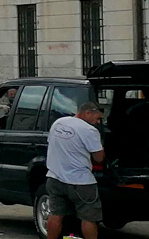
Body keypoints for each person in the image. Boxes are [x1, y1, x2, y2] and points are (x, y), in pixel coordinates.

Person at [44, 102, 106, 239]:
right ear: (88, 113)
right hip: (81, 183)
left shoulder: (58, 123)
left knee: (55, 215)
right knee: (89, 218)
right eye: (97, 118)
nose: (98, 122)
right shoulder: (89, 130)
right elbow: (99, 158)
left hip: (55, 178)